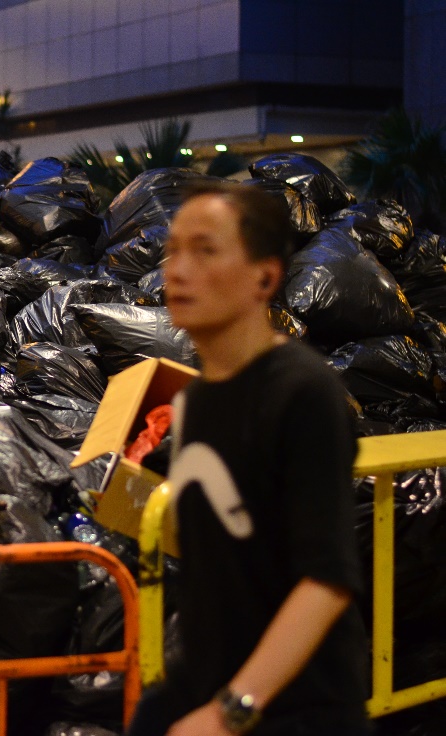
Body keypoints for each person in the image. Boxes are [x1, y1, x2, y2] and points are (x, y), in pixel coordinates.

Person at [126, 182, 368, 736]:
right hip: (205, 686)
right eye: (172, 250)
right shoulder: (193, 402)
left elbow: (326, 580)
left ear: (265, 276)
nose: (177, 269)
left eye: (205, 250)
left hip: (297, 706)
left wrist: (230, 710)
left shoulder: (303, 392)